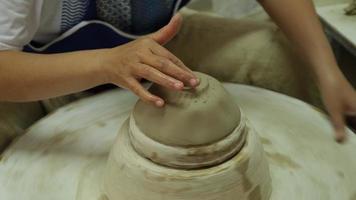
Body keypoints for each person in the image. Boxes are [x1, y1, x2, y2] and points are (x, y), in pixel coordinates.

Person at [0, 0, 355, 142]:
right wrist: (106, 64)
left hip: (155, 40)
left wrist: (327, 71)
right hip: (42, 63)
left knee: (277, 55)